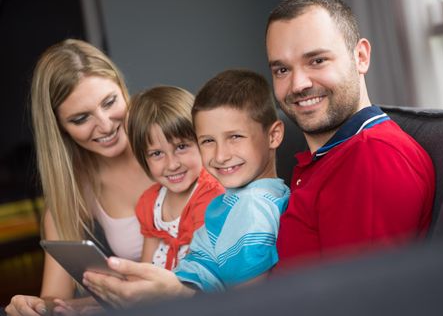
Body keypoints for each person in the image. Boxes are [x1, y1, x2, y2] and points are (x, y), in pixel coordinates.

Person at [81, 69, 289, 306]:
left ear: (273, 136)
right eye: (208, 141)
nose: (220, 156)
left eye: (235, 137)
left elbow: (248, 304)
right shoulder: (234, 202)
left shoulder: (252, 207)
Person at [265, 0, 435, 268]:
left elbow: (361, 301)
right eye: (282, 70)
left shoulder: (373, 157)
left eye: (317, 60)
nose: (297, 85)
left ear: (361, 57)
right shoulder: (330, 157)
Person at [5, 39, 154, 316]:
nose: (106, 125)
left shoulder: (176, 146)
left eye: (110, 102)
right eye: (81, 118)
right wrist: (35, 306)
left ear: (123, 90)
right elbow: (55, 299)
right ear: (60, 129)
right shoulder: (71, 199)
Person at [127, 86, 224, 269]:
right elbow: (146, 266)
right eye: (156, 153)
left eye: (181, 147)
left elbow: (198, 270)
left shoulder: (210, 197)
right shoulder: (150, 201)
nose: (172, 164)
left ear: (202, 141)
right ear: (143, 158)